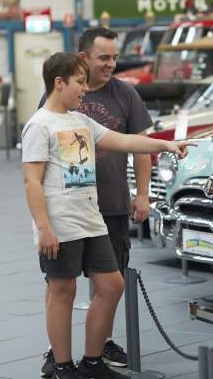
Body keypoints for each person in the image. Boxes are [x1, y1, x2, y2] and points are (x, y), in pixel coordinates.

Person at [22, 52, 193, 379]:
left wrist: (165, 146)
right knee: (63, 291)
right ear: (59, 83)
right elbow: (31, 180)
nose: (85, 89)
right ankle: (61, 367)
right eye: (80, 82)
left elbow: (125, 140)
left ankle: (92, 360)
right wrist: (44, 228)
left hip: (91, 220)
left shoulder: (81, 121)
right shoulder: (39, 125)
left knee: (112, 285)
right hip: (60, 223)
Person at [40, 27, 154, 376]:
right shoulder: (59, 100)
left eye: (114, 57)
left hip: (113, 205)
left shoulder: (126, 95)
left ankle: (98, 347)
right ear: (83, 58)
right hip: (69, 209)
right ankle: (57, 355)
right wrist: (44, 220)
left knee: (109, 281)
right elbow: (36, 167)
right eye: (104, 57)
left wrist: (143, 194)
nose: (111, 64)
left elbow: (136, 144)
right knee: (61, 284)